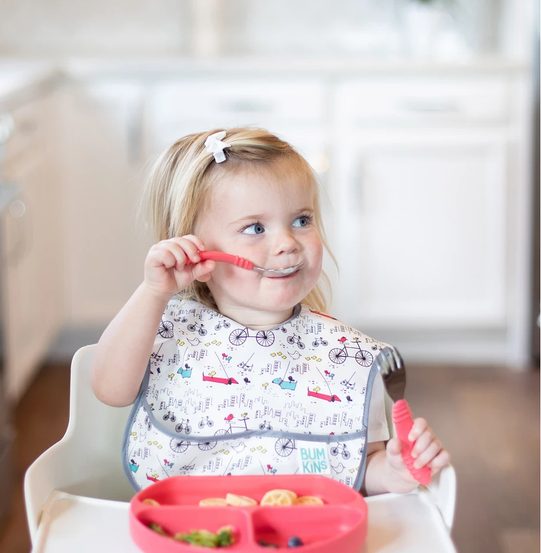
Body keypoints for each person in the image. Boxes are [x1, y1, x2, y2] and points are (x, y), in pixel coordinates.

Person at [91, 127, 450, 496]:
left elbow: (358, 464)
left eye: (302, 220)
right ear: (194, 246)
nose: (287, 243)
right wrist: (153, 292)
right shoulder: (166, 327)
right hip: (180, 530)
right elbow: (109, 389)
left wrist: (394, 471)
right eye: (255, 227)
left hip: (306, 539)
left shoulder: (345, 357)